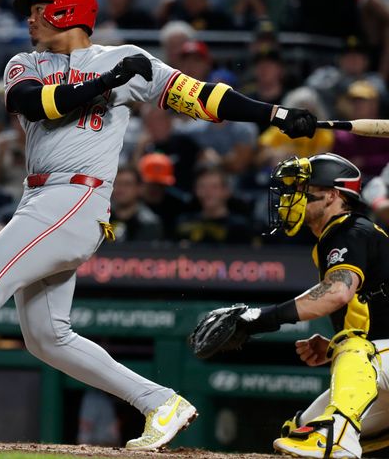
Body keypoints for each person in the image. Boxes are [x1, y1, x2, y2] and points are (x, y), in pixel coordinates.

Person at [0, 0, 317, 449]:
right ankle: (161, 403)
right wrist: (110, 83)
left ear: (65, 10)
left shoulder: (125, 59)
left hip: (78, 198)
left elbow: (205, 97)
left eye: (38, 6)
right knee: (47, 337)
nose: (30, 16)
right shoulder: (25, 62)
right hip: (41, 197)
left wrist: (275, 115)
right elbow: (36, 104)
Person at [195, 153, 389, 458]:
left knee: (351, 351)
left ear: (332, 196)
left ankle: (337, 438)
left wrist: (260, 319)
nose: (291, 198)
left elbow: (337, 292)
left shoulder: (350, 230)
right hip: (383, 361)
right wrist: (332, 347)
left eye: (302, 190)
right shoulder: (339, 236)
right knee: (299, 434)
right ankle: (338, 436)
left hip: (381, 356)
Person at [175, 165, 255, 245]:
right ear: (196, 190)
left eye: (214, 187)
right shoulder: (183, 222)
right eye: (202, 186)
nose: (207, 192)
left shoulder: (240, 227)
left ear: (227, 191)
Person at [108, 165, 162, 242]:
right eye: (117, 184)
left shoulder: (149, 223)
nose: (121, 189)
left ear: (139, 188)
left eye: (127, 184)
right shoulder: (102, 218)